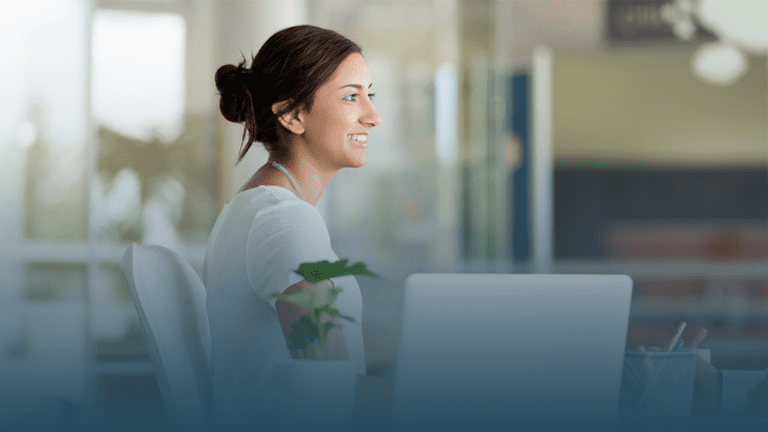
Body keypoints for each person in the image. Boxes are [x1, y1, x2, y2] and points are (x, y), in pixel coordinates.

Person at [203, 25, 381, 426]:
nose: (372, 116)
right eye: (352, 96)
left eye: (370, 95)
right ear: (292, 115)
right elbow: (328, 388)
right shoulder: (284, 221)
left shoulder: (256, 208)